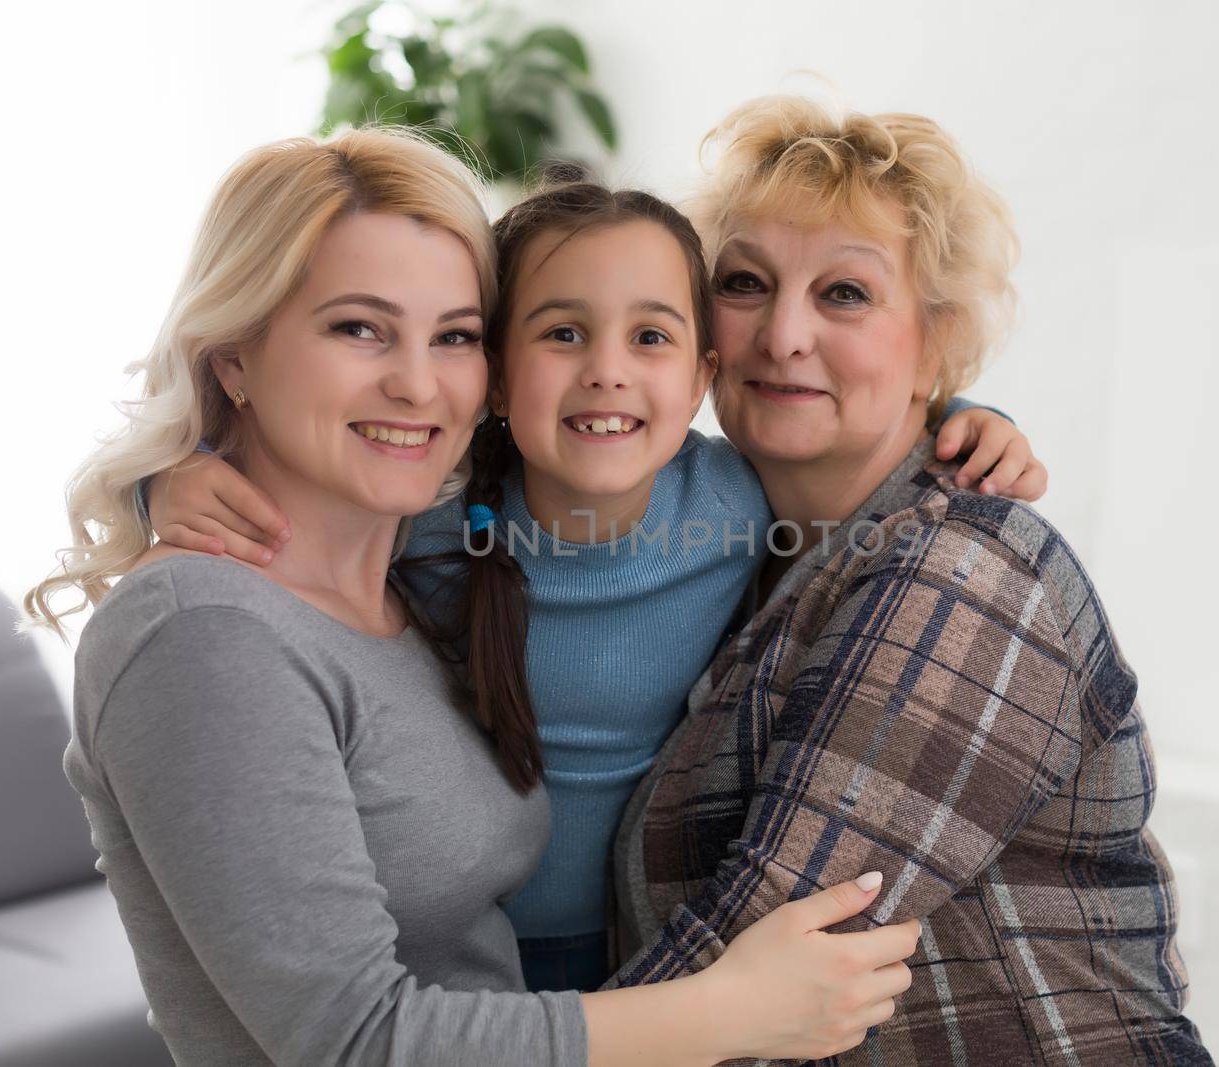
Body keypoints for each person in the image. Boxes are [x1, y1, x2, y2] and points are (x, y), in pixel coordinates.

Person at [25, 127, 921, 1066]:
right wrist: (729, 1012)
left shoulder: (393, 597)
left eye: (451, 335)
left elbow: (851, 479)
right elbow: (359, 1040)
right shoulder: (208, 631)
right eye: (358, 327)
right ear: (231, 355)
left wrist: (960, 422)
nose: (417, 384)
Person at [143, 181, 1046, 992]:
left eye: (650, 336)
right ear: (494, 373)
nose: (607, 368)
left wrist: (965, 418)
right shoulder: (424, 512)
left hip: (654, 939)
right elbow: (278, 494)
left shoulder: (734, 502)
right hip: (461, 957)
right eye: (563, 332)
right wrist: (165, 482)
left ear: (702, 377)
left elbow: (860, 473)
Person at [606, 96, 1213, 1066]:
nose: (783, 333)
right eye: (745, 281)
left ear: (935, 339)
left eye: (843, 293)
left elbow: (761, 947)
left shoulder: (964, 562)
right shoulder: (730, 550)